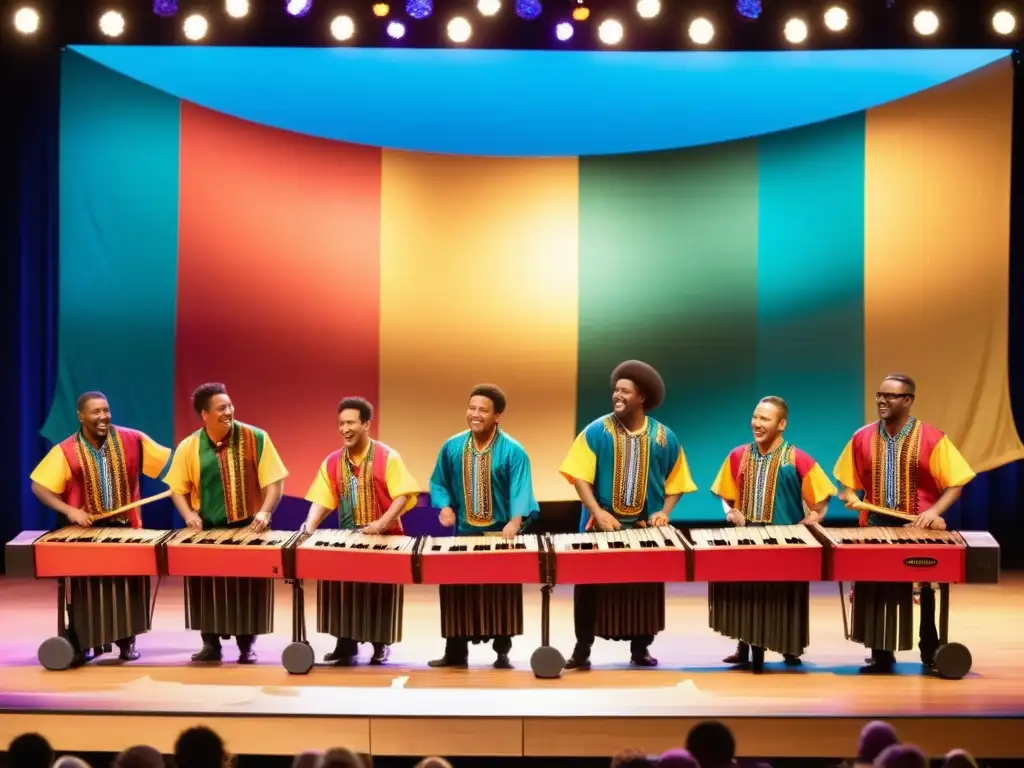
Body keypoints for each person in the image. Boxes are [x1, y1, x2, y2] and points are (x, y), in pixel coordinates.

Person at [834, 374, 975, 674]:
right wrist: (848, 496)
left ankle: (930, 649)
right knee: (875, 588)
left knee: (924, 588)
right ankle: (881, 652)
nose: (882, 400)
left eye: (891, 396)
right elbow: (845, 484)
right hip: (875, 527)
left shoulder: (933, 438)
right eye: (879, 395)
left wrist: (934, 512)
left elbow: (957, 482)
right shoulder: (861, 437)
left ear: (908, 400)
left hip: (918, 529)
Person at [559, 360, 696, 669]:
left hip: (644, 529)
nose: (617, 396)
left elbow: (678, 480)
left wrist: (664, 511)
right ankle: (582, 649)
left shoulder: (664, 437)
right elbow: (578, 474)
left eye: (625, 391)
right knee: (589, 587)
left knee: (644, 588)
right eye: (615, 390)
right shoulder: (596, 431)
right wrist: (598, 511)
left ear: (642, 396)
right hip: (600, 528)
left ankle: (640, 648)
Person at [29, 391, 171, 664]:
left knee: (126, 587)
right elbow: (39, 486)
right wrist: (70, 510)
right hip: (85, 532)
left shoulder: (134, 440)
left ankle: (126, 640)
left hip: (126, 529)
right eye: (96, 412)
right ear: (81, 416)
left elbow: (169, 465)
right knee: (87, 588)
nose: (103, 416)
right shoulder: (66, 450)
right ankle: (86, 638)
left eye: (106, 410)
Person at [709, 396, 836, 671]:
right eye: (755, 417)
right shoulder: (738, 455)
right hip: (746, 537)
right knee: (746, 594)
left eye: (764, 419)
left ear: (781, 424)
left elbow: (823, 497)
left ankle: (789, 646)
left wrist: (815, 516)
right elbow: (725, 494)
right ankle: (744, 645)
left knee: (785, 596)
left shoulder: (798, 458)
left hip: (786, 540)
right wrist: (730, 511)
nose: (757, 423)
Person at [166, 383, 288, 664]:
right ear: (204, 415)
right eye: (221, 408)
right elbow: (177, 488)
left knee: (246, 591)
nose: (229, 412)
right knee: (206, 590)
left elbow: (274, 483)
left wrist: (265, 513)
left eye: (230, 406)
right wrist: (188, 515)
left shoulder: (256, 438)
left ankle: (247, 646)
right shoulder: (189, 446)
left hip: (249, 528)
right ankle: (210, 645)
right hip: (207, 531)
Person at [427, 384, 539, 669]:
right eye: (472, 408)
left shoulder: (513, 451)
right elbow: (439, 481)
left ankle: (502, 651)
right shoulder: (452, 446)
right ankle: (455, 651)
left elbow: (521, 489)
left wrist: (515, 521)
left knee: (499, 594)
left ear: (497, 416)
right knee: (456, 592)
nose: (475, 414)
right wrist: (445, 506)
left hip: (499, 534)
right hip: (464, 532)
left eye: (483, 410)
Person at [302, 396, 420, 666]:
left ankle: (381, 645)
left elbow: (402, 496)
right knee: (343, 591)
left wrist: (380, 524)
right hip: (347, 538)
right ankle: (345, 644)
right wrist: (308, 528)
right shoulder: (332, 461)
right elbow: (323, 499)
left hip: (385, 538)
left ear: (366, 424)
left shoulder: (387, 456)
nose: (344, 429)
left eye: (350, 423)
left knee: (379, 593)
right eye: (341, 424)